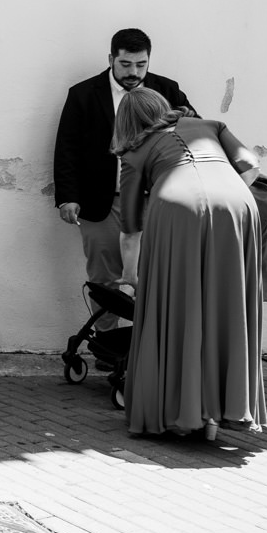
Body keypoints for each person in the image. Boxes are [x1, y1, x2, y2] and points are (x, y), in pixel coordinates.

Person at [113, 89, 267, 438]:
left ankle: (184, 412)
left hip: (178, 212)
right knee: (226, 304)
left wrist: (129, 275)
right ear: (163, 108)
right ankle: (221, 413)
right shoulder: (209, 124)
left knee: (182, 308)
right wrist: (223, 192)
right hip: (239, 206)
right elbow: (252, 165)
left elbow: (130, 227)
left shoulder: (134, 154)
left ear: (125, 123)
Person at [54, 29, 194, 344]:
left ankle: (152, 346)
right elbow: (67, 148)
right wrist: (67, 198)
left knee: (156, 275)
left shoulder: (167, 90)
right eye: (126, 64)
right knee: (104, 279)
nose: (133, 73)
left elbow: (192, 133)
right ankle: (106, 344)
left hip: (156, 200)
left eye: (140, 65)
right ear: (111, 59)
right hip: (101, 201)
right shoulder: (83, 94)